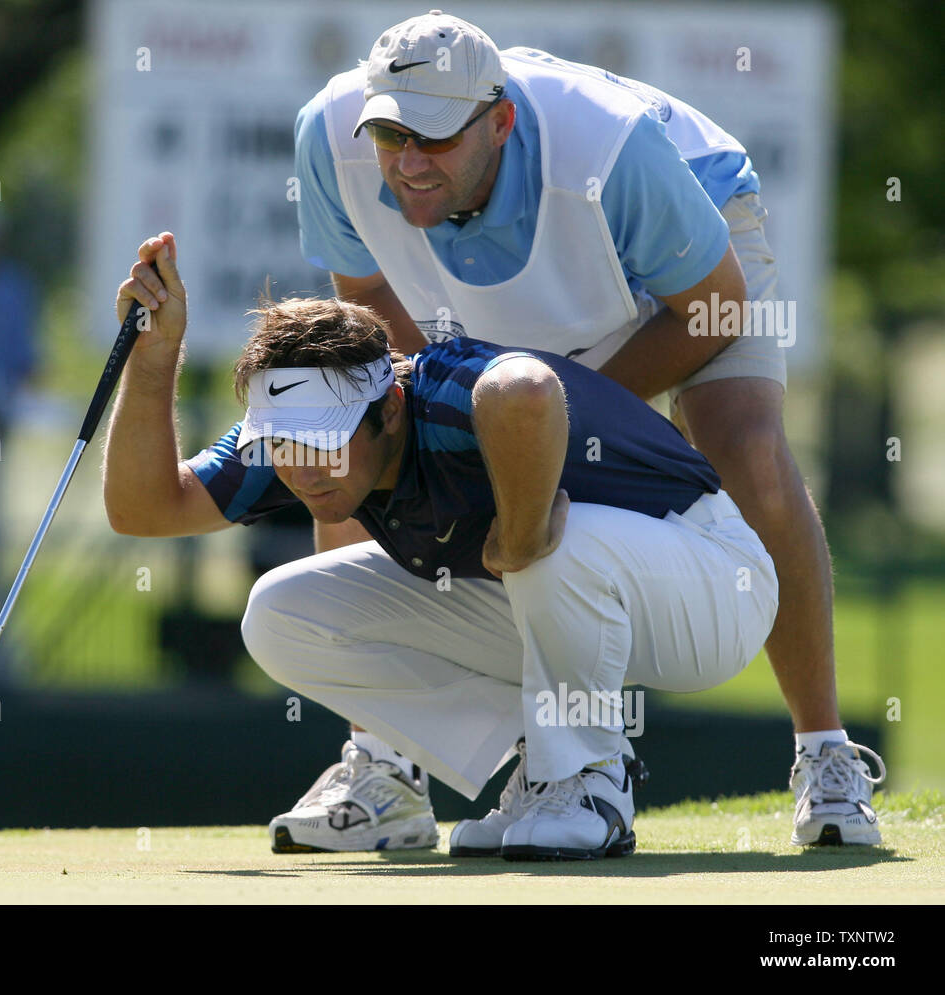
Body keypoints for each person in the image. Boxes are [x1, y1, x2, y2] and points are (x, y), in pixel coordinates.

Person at [287, 9, 886, 849]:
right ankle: (385, 767)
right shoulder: (330, 138)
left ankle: (825, 754)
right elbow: (372, 306)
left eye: (435, 139)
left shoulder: (610, 151)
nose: (408, 163)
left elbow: (712, 308)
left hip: (688, 259)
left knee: (744, 444)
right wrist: (449, 431)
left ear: (498, 121)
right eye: (391, 135)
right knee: (358, 439)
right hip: (535, 312)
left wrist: (554, 424)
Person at [103, 232, 781, 859]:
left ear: (391, 405)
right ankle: (481, 776)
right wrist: (155, 358)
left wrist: (518, 537)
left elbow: (527, 390)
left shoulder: (445, 394)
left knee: (549, 541)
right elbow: (144, 508)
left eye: (325, 438)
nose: (303, 468)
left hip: (713, 586)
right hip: (577, 610)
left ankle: (591, 779)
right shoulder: (298, 445)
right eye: (281, 444)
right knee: (281, 614)